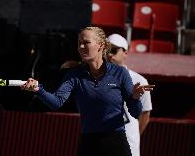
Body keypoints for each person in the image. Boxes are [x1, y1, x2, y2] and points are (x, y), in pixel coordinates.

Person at [22, 26, 154, 156]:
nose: (81, 47)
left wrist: (135, 97)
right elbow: (57, 102)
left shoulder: (120, 73)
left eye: (86, 43)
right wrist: (38, 90)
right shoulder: (74, 76)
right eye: (79, 43)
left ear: (101, 45)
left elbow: (136, 113)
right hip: (89, 143)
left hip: (116, 143)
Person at [107, 33, 153, 156]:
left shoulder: (140, 80)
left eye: (114, 50)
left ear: (125, 53)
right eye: (106, 50)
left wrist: (133, 136)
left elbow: (145, 114)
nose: (109, 54)